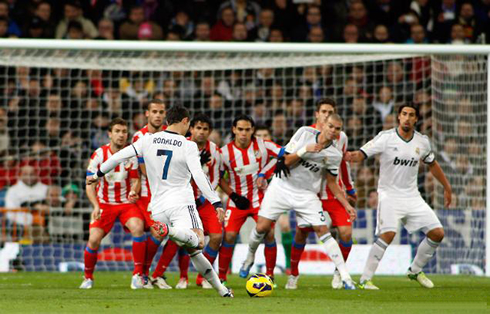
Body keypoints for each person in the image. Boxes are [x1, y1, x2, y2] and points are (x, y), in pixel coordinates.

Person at [87, 106, 233, 298]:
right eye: (189, 124)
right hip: (181, 203)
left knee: (194, 252)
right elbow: (199, 176)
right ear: (184, 121)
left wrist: (98, 174)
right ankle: (169, 231)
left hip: (157, 209)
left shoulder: (147, 140)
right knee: (198, 241)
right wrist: (216, 203)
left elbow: (119, 156)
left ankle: (222, 290)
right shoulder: (187, 145)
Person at [239, 114, 357, 290]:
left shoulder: (334, 155)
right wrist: (305, 150)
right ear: (323, 124)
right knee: (262, 227)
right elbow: (284, 161)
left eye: (337, 129)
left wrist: (346, 205)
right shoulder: (304, 133)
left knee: (322, 231)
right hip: (282, 186)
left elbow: (332, 183)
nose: (333, 131)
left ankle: (346, 277)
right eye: (331, 126)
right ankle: (249, 257)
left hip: (306, 194)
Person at [345, 104, 451, 290]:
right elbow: (361, 154)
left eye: (411, 115)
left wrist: (447, 187)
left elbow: (432, 164)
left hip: (412, 196)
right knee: (388, 234)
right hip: (389, 195)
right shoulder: (386, 138)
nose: (407, 118)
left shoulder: (422, 142)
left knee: (437, 233)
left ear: (416, 119)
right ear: (399, 117)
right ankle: (364, 280)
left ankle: (415, 270)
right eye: (404, 114)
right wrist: (346, 155)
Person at [287, 98, 357, 290]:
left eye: (330, 111)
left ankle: (338, 272)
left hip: (333, 192)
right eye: (324, 111)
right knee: (302, 233)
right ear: (317, 114)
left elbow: (342, 163)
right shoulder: (305, 133)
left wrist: (350, 188)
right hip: (311, 193)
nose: (327, 115)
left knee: (346, 232)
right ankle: (293, 274)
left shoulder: (341, 137)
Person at [151, 113, 223, 290]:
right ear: (191, 128)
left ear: (210, 131)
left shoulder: (215, 150)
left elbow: (216, 177)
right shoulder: (182, 145)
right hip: (183, 199)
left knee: (216, 236)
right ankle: (173, 276)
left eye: (205, 129)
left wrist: (208, 198)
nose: (201, 132)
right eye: (198, 128)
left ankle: (203, 277)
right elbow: (176, 177)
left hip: (204, 202)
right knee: (181, 238)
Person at [80, 118, 146, 290]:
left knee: (138, 228)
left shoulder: (130, 155)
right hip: (104, 204)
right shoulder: (99, 155)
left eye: (124, 132)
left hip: (125, 204)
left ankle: (137, 276)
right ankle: (88, 278)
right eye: (117, 131)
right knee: (93, 240)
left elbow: (136, 180)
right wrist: (95, 206)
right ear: (109, 134)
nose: (121, 135)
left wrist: (134, 191)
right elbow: (89, 184)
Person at [219, 115, 283, 284]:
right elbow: (219, 178)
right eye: (240, 129)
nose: (243, 133)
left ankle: (270, 276)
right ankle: (221, 277)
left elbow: (284, 154)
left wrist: (265, 172)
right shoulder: (224, 153)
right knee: (229, 236)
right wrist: (232, 195)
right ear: (234, 130)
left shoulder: (263, 146)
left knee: (269, 233)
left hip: (260, 199)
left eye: (247, 130)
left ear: (253, 130)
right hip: (236, 201)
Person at [131, 99, 169, 289]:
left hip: (166, 193)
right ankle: (142, 274)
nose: (158, 115)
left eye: (161, 112)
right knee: (156, 231)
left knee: (163, 233)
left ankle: (148, 274)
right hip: (147, 195)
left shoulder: (170, 135)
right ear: (147, 113)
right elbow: (140, 166)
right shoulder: (139, 136)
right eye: (154, 111)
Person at [254, 125, 293, 274]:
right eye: (259, 135)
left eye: (265, 135)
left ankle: (288, 265)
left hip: (276, 199)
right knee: (232, 231)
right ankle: (230, 267)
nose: (263, 138)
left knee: (284, 225)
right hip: (253, 199)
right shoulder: (250, 157)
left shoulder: (279, 158)